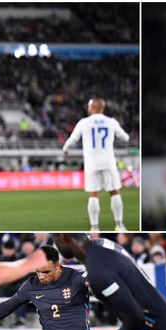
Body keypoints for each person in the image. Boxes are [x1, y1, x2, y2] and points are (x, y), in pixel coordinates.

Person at [62, 97, 131, 232]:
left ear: (93, 107)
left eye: (89, 106)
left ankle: (94, 227)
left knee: (93, 195)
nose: (88, 108)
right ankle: (119, 225)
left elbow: (73, 139)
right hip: (108, 162)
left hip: (91, 164)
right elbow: (125, 137)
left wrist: (65, 148)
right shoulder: (111, 122)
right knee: (114, 192)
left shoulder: (84, 122)